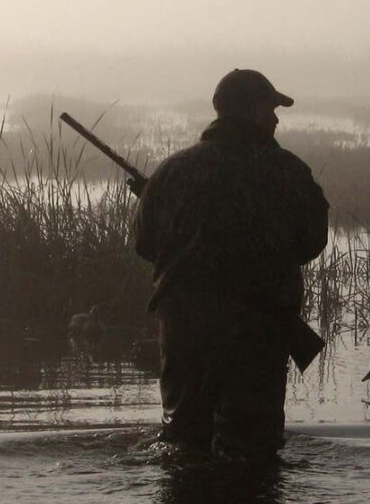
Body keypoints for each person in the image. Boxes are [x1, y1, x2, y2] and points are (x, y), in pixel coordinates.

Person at [133, 69, 329, 460]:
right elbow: (311, 243)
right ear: (252, 110)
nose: (275, 119)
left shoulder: (172, 172)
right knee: (254, 451)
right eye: (271, 108)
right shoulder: (290, 172)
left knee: (182, 446)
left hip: (185, 332)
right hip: (258, 335)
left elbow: (146, 245)